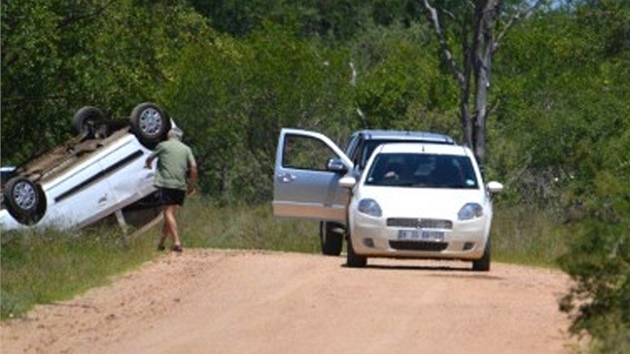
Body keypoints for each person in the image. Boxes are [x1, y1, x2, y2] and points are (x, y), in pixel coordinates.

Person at [144, 127, 198, 253]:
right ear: (180, 137)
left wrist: (148, 165)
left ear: (169, 136)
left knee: (167, 213)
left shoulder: (163, 146)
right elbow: (194, 168)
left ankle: (177, 242)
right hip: (180, 185)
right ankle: (161, 244)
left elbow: (149, 158)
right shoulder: (186, 149)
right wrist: (191, 185)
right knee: (171, 214)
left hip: (167, 183)